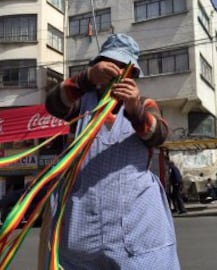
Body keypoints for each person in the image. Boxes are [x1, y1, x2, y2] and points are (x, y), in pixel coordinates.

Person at [43, 33, 180, 269]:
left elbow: (158, 135)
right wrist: (84, 79)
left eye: (123, 67)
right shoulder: (82, 105)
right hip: (83, 223)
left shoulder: (144, 104)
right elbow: (53, 104)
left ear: (133, 74)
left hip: (136, 222)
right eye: (109, 65)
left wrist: (135, 109)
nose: (115, 73)